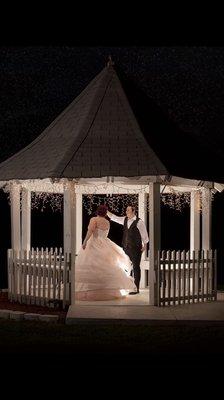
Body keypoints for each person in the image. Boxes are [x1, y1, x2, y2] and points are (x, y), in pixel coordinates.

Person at [75, 204, 136, 301]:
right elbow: (105, 234)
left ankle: (89, 290)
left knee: (91, 265)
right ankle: (107, 290)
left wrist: (85, 241)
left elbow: (90, 231)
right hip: (105, 244)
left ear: (97, 212)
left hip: (94, 242)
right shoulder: (107, 222)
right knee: (107, 265)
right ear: (105, 213)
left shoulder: (94, 219)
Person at [107, 205, 149, 295]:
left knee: (136, 267)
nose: (126, 211)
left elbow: (144, 235)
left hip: (136, 248)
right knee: (126, 267)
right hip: (126, 247)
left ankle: (136, 288)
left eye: (128, 210)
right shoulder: (124, 219)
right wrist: (106, 211)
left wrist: (145, 246)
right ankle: (128, 286)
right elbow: (115, 218)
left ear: (133, 211)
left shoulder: (139, 222)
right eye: (126, 210)